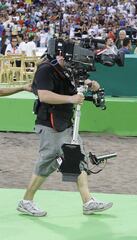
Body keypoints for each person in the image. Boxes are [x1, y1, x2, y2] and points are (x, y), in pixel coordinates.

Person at [17, 55, 113, 217]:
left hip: (65, 123)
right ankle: (26, 201)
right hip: (49, 124)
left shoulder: (68, 70)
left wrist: (90, 85)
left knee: (76, 157)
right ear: (59, 54)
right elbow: (44, 96)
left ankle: (88, 202)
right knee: (48, 161)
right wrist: (71, 98)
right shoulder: (46, 69)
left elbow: (76, 87)